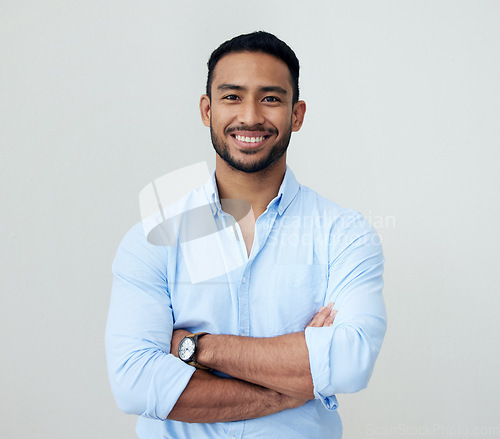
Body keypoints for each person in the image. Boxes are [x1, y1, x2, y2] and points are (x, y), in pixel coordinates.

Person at [105, 31, 387, 439]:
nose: (251, 116)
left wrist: (196, 348)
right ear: (207, 110)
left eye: (270, 98)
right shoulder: (153, 237)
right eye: (232, 97)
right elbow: (135, 384)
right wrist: (291, 388)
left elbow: (350, 363)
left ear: (297, 114)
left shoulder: (344, 233)